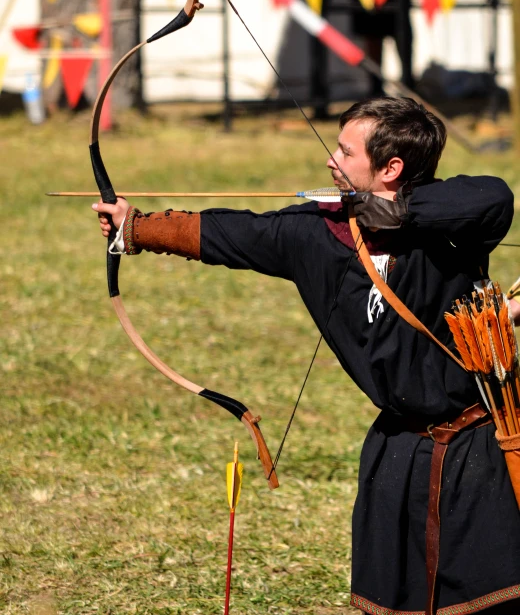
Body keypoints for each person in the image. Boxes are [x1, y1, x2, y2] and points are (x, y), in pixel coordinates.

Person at [93, 98, 520, 614]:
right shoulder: (316, 234)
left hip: (486, 445)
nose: (330, 160)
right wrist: (135, 228)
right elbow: (233, 233)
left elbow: (491, 196)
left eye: (344, 150)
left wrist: (394, 212)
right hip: (396, 452)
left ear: (391, 169)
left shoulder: (452, 231)